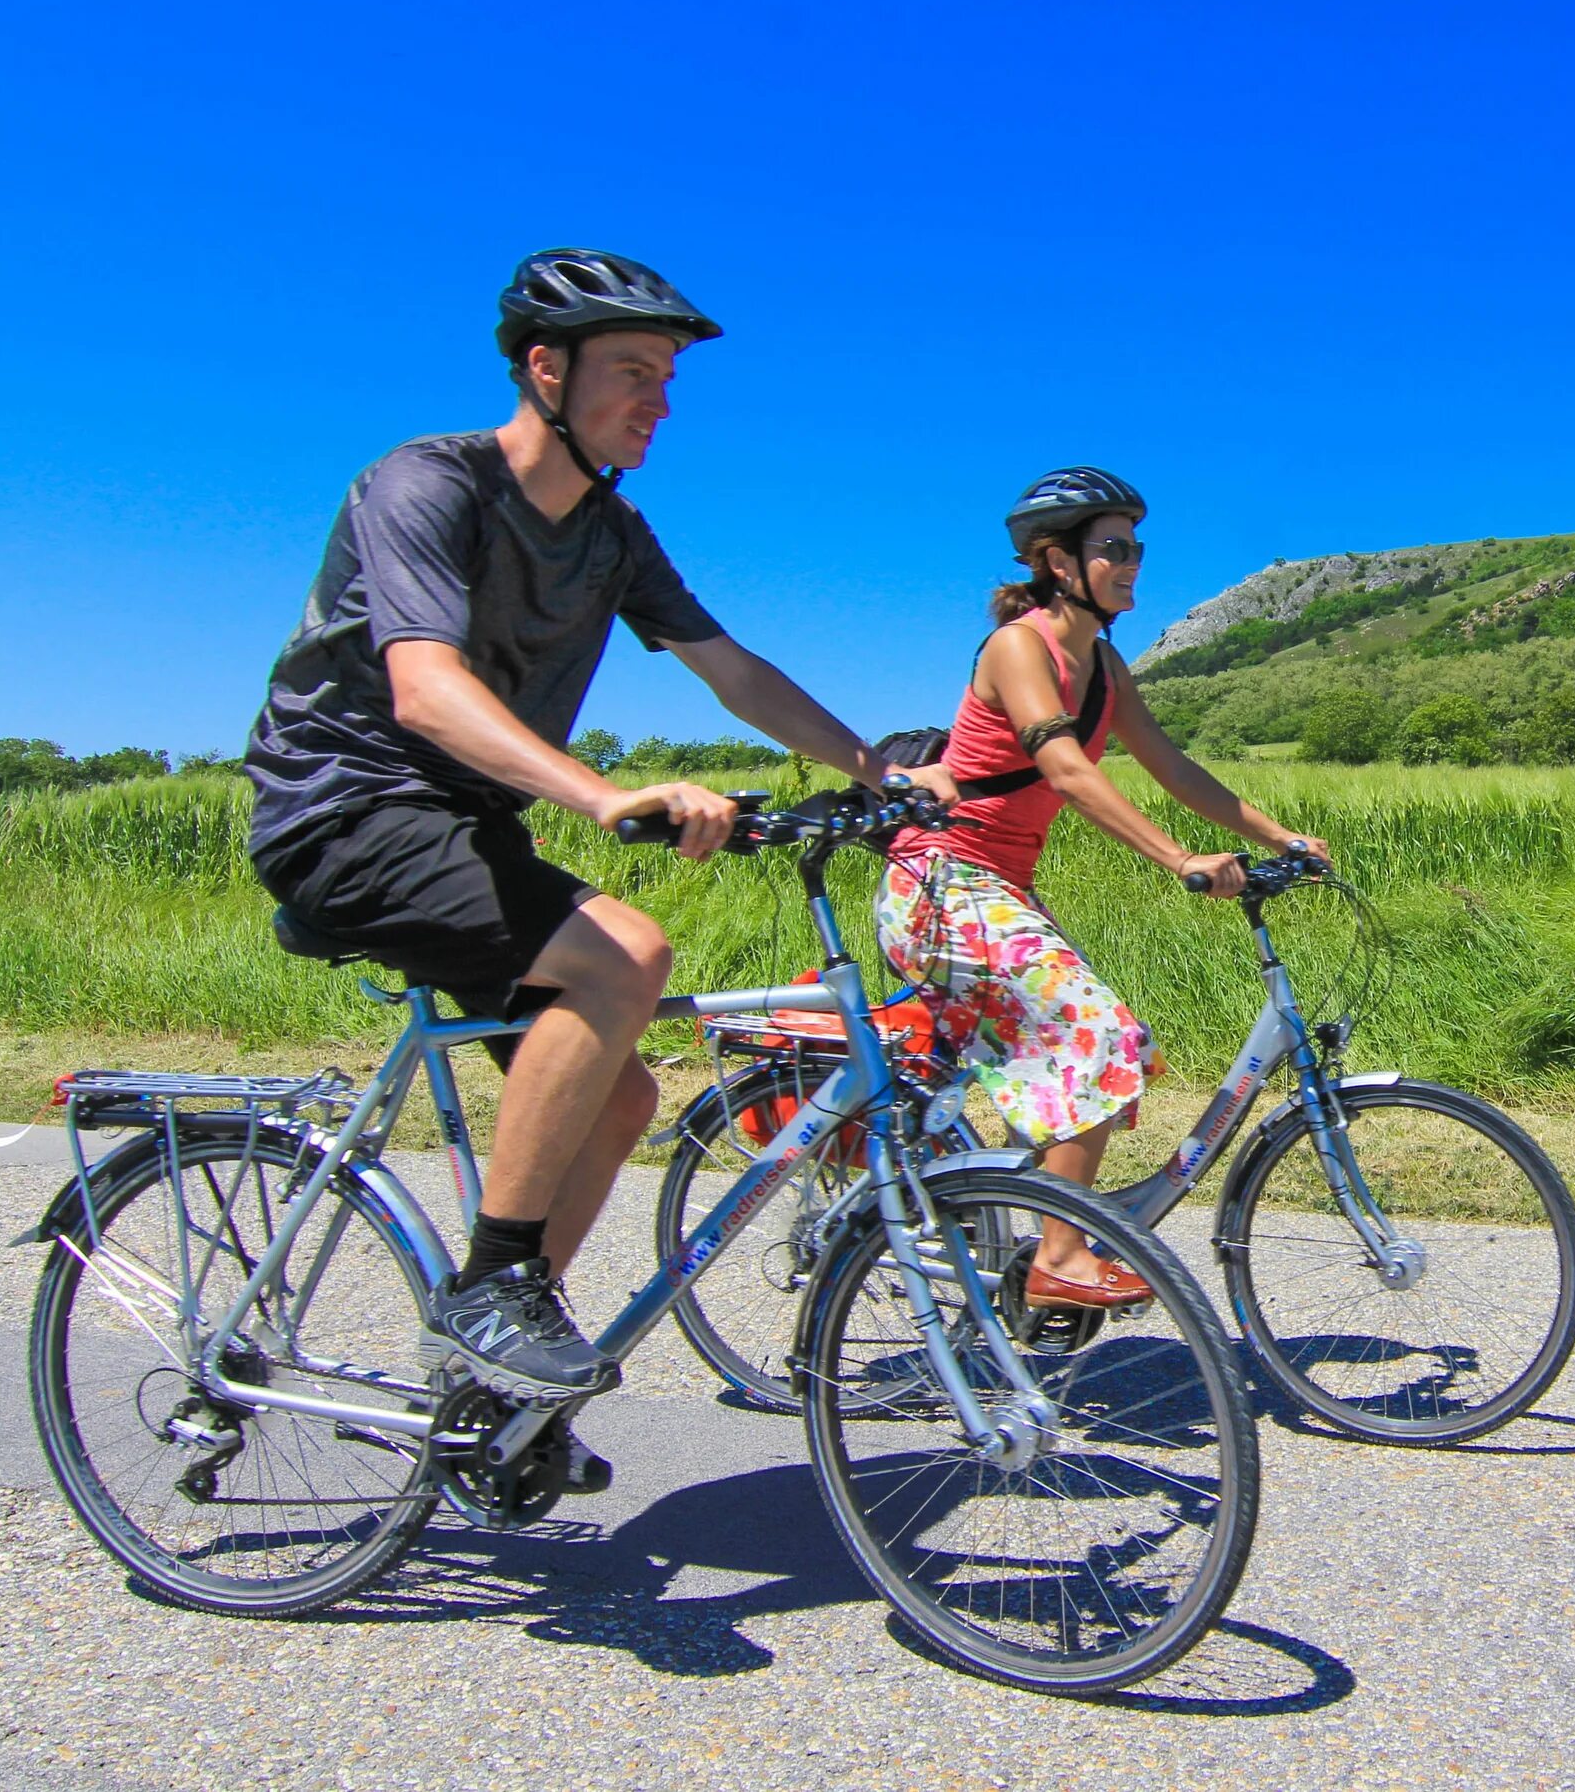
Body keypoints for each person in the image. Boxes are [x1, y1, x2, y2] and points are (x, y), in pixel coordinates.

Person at [243, 248, 948, 1439]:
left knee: (619, 1098)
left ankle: (493, 1395)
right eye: (633, 372)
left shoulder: (614, 535)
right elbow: (424, 689)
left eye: (667, 378)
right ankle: (492, 1289)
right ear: (543, 368)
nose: (657, 404)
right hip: (342, 810)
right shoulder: (425, 486)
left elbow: (733, 673)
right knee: (624, 952)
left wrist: (878, 771)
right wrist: (603, 795)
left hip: (461, 829)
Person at [878, 468, 1327, 1306]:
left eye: (1136, 548)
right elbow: (1066, 769)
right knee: (1092, 1036)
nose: (1132, 563)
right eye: (1113, 548)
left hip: (994, 893)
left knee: (1108, 1050)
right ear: (1057, 560)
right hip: (940, 882)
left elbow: (1171, 765)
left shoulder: (1108, 667)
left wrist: (1278, 835)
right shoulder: (1021, 646)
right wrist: (1179, 859)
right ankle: (1059, 1259)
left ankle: (1023, 1216)